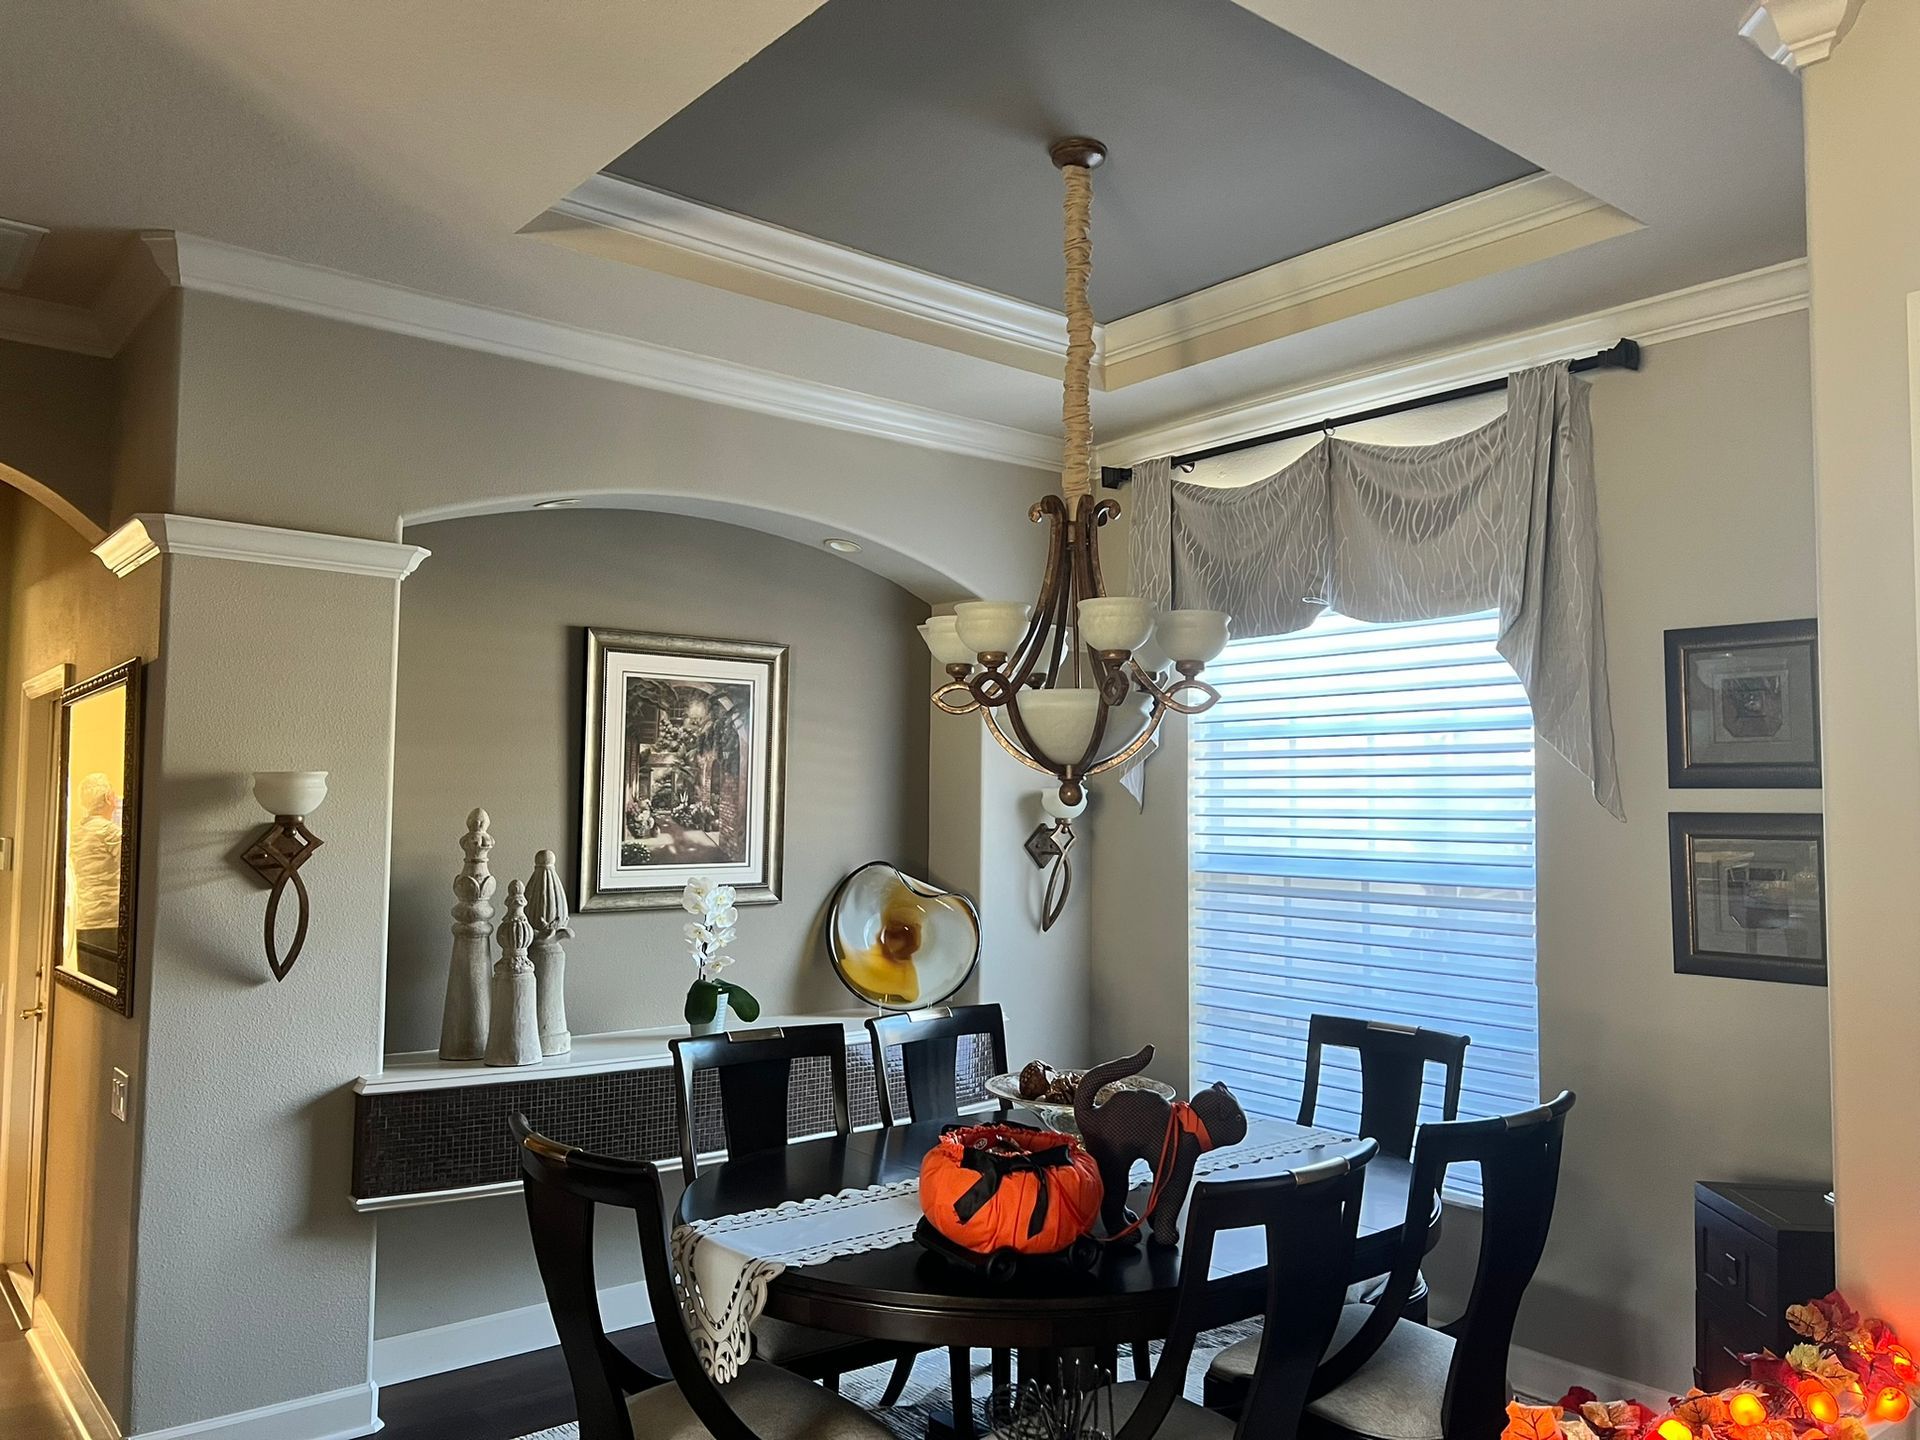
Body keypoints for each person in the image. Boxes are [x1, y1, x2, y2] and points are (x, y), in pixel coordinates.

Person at [71, 771, 122, 980]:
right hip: (109, 921)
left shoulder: (76, 832)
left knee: (89, 981)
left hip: (84, 920)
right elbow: (132, 868)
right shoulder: (110, 832)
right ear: (109, 797)